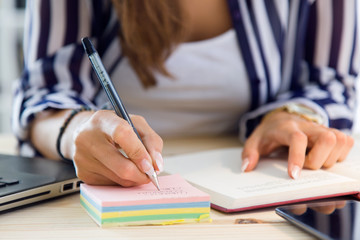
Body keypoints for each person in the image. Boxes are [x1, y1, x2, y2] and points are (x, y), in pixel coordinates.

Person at [12, 0, 359, 187]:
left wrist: (295, 115)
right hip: (101, 192)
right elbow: (42, 96)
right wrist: (75, 132)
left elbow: (335, 82)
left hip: (257, 182)